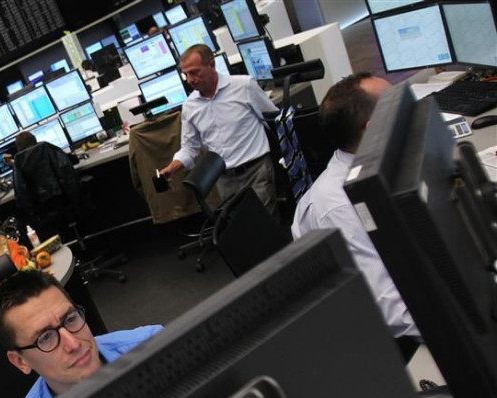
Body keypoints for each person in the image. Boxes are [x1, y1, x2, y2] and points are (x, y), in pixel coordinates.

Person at [290, 72, 420, 357]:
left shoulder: (378, 164)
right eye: (397, 102)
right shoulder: (339, 206)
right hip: (385, 343)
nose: (411, 106)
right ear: (374, 127)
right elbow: (394, 309)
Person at [0, 270, 162, 398]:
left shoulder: (153, 345)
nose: (73, 344)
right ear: (21, 362)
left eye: (70, 319)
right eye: (45, 338)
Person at [159, 44, 279, 214]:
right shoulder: (190, 106)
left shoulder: (244, 86)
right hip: (223, 178)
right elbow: (189, 148)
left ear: (212, 65)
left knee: (265, 224)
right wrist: (173, 166)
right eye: (185, 74)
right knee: (240, 229)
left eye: (194, 72)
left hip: (256, 170)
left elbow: (272, 118)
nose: (190, 80)